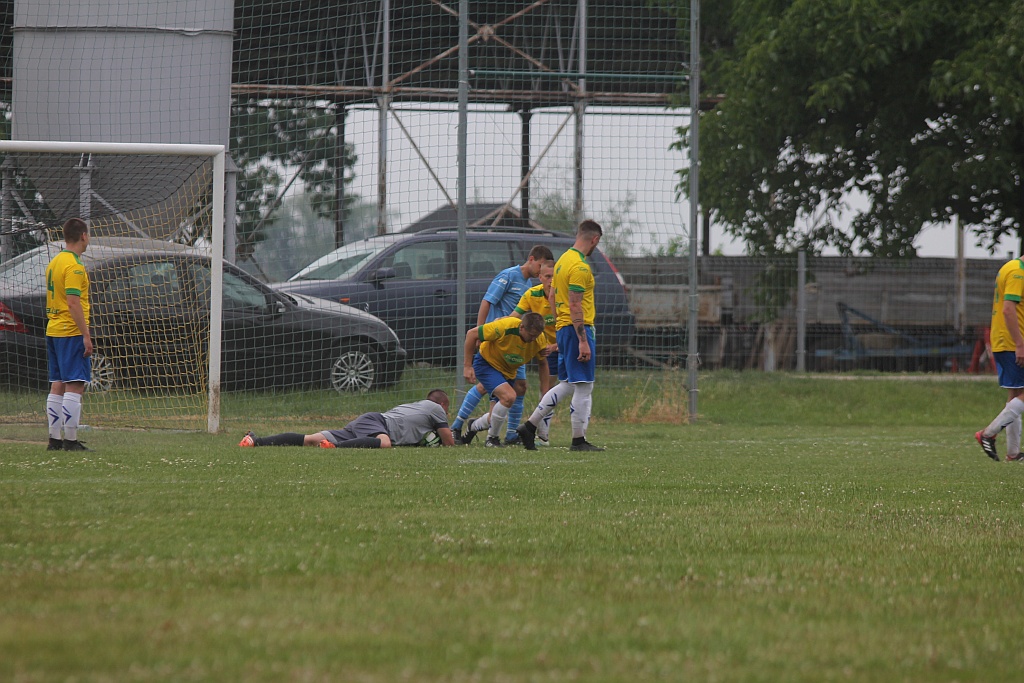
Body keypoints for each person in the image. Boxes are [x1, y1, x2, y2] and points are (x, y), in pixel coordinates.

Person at [450, 245, 554, 443]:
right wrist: (480, 331)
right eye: (540, 266)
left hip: (519, 343)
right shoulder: (508, 276)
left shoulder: (530, 288)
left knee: (519, 387)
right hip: (498, 340)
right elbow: (487, 301)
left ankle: (510, 433)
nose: (541, 272)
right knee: (489, 388)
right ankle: (459, 425)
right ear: (531, 259)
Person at [517, 219, 604, 452]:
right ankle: (578, 441)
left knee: (566, 384)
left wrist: (560, 322)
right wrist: (583, 340)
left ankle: (529, 426)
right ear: (594, 240)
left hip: (565, 329)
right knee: (584, 386)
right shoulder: (580, 267)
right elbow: (576, 304)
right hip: (578, 329)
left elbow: (553, 296)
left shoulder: (564, 260)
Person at [239, 389, 456, 448]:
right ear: (442, 405)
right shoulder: (435, 408)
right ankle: (337, 447)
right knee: (385, 443)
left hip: (366, 423)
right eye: (446, 412)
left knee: (310, 439)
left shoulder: (413, 407)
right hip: (377, 423)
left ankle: (255, 441)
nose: (444, 416)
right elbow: (448, 442)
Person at [459, 312, 550, 447]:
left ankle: (473, 426)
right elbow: (472, 334)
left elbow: (543, 364)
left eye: (536, 336)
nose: (533, 339)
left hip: (507, 372)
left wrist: (545, 392)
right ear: (521, 328)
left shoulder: (539, 339)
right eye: (531, 335)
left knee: (493, 418)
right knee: (509, 396)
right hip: (486, 364)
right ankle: (492, 439)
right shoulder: (505, 326)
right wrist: (467, 366)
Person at [44, 217, 93, 452]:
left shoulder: (55, 262)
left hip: (53, 329)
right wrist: (86, 334)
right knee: (75, 385)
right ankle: (71, 442)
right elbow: (73, 303)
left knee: (58, 384)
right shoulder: (74, 266)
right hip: (70, 331)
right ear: (83, 236)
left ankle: (54, 440)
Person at [976, 257, 1024, 462]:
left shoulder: (1011, 267)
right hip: (1013, 341)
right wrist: (1020, 343)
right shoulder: (1017, 272)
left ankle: (1013, 453)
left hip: (1007, 340)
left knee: (1016, 394)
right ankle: (988, 433)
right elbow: (1008, 309)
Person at [510, 261, 558, 446]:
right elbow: (515, 317)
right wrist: (499, 323)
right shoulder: (531, 294)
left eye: (555, 277)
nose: (552, 280)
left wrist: (557, 345)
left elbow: (572, 326)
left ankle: (580, 435)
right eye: (547, 276)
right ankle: (543, 436)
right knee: (547, 391)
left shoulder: (565, 295)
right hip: (547, 349)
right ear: (540, 277)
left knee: (580, 388)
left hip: (566, 346)